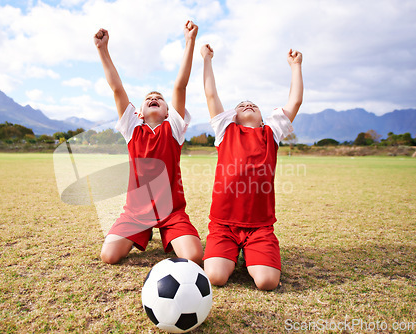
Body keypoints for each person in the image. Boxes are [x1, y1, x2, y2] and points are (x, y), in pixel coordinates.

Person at [94, 21, 203, 265]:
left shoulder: (173, 128)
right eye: (148, 98)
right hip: (136, 213)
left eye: (160, 99)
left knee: (194, 257)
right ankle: (142, 231)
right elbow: (116, 88)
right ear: (139, 112)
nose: (154, 98)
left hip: (171, 213)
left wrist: (189, 42)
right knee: (109, 256)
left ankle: (167, 232)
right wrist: (102, 49)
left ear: (168, 112)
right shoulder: (132, 129)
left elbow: (180, 85)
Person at [200, 43, 303, 290]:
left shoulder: (272, 132)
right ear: (232, 116)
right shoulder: (226, 131)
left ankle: (251, 252)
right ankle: (232, 251)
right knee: (215, 277)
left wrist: (296, 66)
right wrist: (206, 59)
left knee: (267, 282)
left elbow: (295, 101)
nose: (248, 104)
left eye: (253, 105)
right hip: (223, 225)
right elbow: (211, 95)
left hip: (260, 227)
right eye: (241, 104)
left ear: (263, 117)